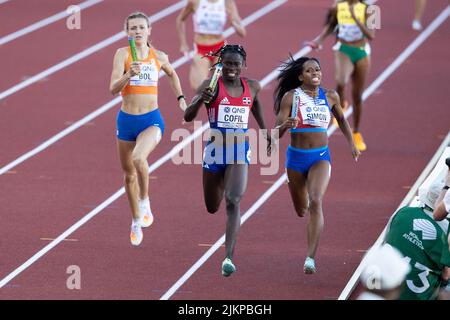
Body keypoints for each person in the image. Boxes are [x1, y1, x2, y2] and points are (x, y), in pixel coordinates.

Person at [184, 44, 270, 277]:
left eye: (236, 64)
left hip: (239, 150)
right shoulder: (210, 85)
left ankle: (228, 257)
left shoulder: (252, 86)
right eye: (228, 64)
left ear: (243, 65)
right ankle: (222, 181)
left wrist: (264, 131)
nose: (232, 68)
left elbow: (255, 103)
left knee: (233, 201)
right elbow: (187, 116)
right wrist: (201, 99)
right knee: (213, 206)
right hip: (214, 151)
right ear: (221, 65)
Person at [273, 56, 360, 274]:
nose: (315, 74)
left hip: (320, 157)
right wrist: (286, 125)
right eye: (310, 71)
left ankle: (310, 258)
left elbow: (341, 120)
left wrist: (351, 143)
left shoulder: (330, 96)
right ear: (301, 76)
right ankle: (292, 182)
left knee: (316, 201)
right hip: (296, 158)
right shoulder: (291, 97)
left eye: (318, 70)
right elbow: (274, 133)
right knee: (301, 210)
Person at [109, 12, 187, 246]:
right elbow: (113, 89)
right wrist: (127, 76)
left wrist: (181, 97)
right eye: (132, 28)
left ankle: (145, 201)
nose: (137, 31)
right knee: (128, 175)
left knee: (139, 159)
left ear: (149, 30)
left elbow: (173, 75)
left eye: (141, 27)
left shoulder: (159, 56)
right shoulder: (122, 55)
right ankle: (135, 221)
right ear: (127, 32)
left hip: (151, 121)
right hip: (126, 120)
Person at [306, 0, 375, 152]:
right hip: (343, 49)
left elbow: (371, 35)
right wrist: (319, 40)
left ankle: (356, 133)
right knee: (341, 81)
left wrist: (355, 18)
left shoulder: (370, 10)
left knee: (357, 96)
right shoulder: (338, 6)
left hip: (362, 52)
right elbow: (331, 25)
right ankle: (341, 104)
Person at [384, 183, 450, 299]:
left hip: (386, 285)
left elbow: (387, 241)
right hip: (417, 294)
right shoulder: (446, 232)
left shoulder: (403, 212)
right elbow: (446, 275)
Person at [176, 0, 246, 91]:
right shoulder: (195, 2)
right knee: (198, 88)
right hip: (201, 49)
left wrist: (234, 24)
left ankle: (216, 102)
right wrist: (183, 44)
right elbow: (180, 19)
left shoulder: (227, 2)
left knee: (219, 87)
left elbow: (242, 32)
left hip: (220, 49)